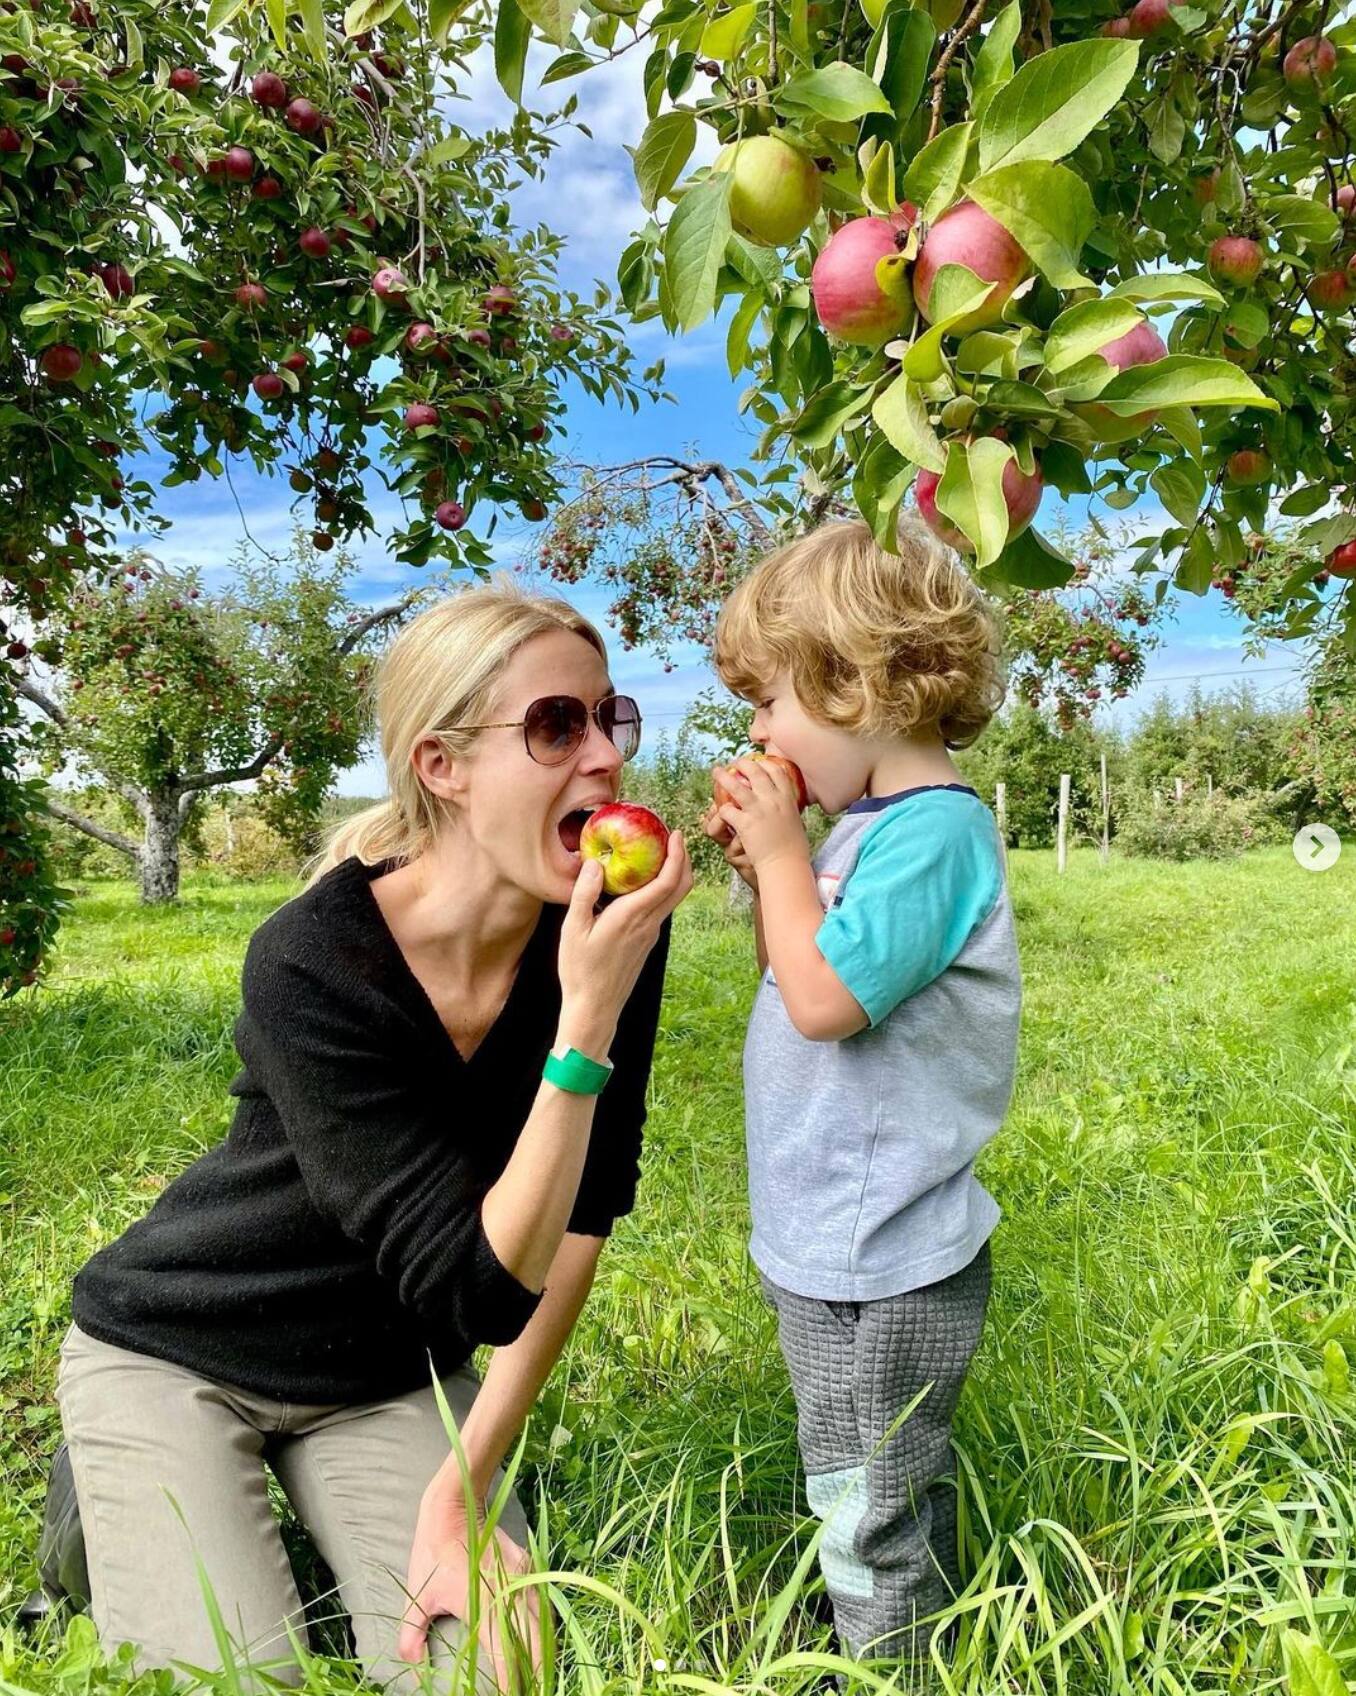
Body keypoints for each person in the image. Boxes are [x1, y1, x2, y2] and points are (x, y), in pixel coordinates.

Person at [51, 578, 692, 1691]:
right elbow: (479, 1288)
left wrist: (467, 1480)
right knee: (236, 1679)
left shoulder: (604, 933)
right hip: (187, 1340)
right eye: (555, 724)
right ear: (442, 765)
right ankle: (101, 1501)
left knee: (486, 1675)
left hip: (390, 1371)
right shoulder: (311, 958)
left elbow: (584, 1215)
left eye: (609, 716)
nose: (602, 758)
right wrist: (582, 1024)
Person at [702, 520, 1021, 1673]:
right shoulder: (862, 836)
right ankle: (873, 1628)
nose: (755, 733)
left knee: (874, 1490)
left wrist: (788, 859)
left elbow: (829, 1002)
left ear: (857, 681)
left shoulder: (934, 832)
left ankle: (889, 1664)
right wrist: (772, 874)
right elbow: (798, 979)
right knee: (847, 1465)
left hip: (887, 1247)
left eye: (770, 701)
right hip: (829, 1230)